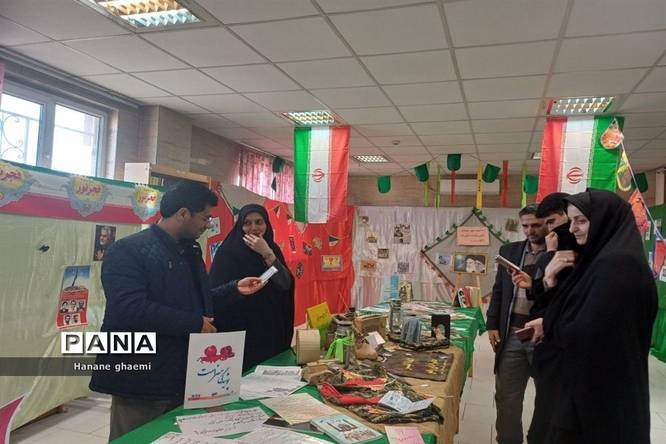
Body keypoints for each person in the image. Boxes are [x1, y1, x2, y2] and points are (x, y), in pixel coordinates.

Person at [89, 182, 264, 441]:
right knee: (137, 437)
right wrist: (194, 323)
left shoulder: (188, 250)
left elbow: (196, 301)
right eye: (204, 218)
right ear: (183, 214)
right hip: (139, 376)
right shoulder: (128, 251)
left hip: (179, 373)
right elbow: (130, 308)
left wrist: (233, 289)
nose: (208, 225)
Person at [525, 189, 657, 443]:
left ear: (604, 220)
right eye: (571, 220)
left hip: (600, 395)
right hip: (588, 385)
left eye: (582, 221)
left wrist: (549, 324)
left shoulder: (618, 265)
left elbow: (590, 329)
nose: (572, 229)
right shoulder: (602, 260)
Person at [487, 204, 548, 444]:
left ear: (547, 223)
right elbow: (499, 290)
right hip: (512, 334)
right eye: (525, 226)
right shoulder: (510, 251)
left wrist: (535, 284)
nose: (530, 230)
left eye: (536, 225)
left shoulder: (560, 253)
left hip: (546, 337)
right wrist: (492, 324)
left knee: (548, 398)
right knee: (507, 398)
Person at [209, 204, 294, 371]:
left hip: (270, 327)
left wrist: (267, 253)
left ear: (266, 224)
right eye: (247, 223)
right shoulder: (228, 252)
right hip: (240, 329)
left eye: (259, 222)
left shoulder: (272, 248)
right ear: (240, 226)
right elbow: (215, 293)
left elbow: (285, 284)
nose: (254, 228)